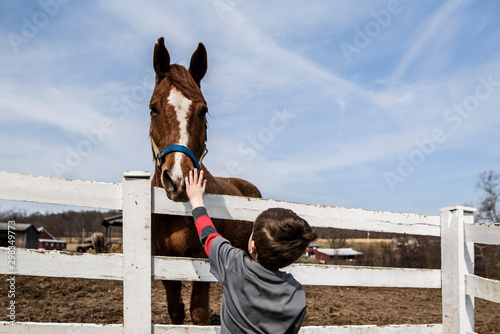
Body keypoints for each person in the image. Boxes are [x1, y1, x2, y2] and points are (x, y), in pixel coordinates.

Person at [185, 169, 317, 333]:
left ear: (252, 245)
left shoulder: (234, 265)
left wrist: (196, 200)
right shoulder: (296, 294)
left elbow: (208, 235)